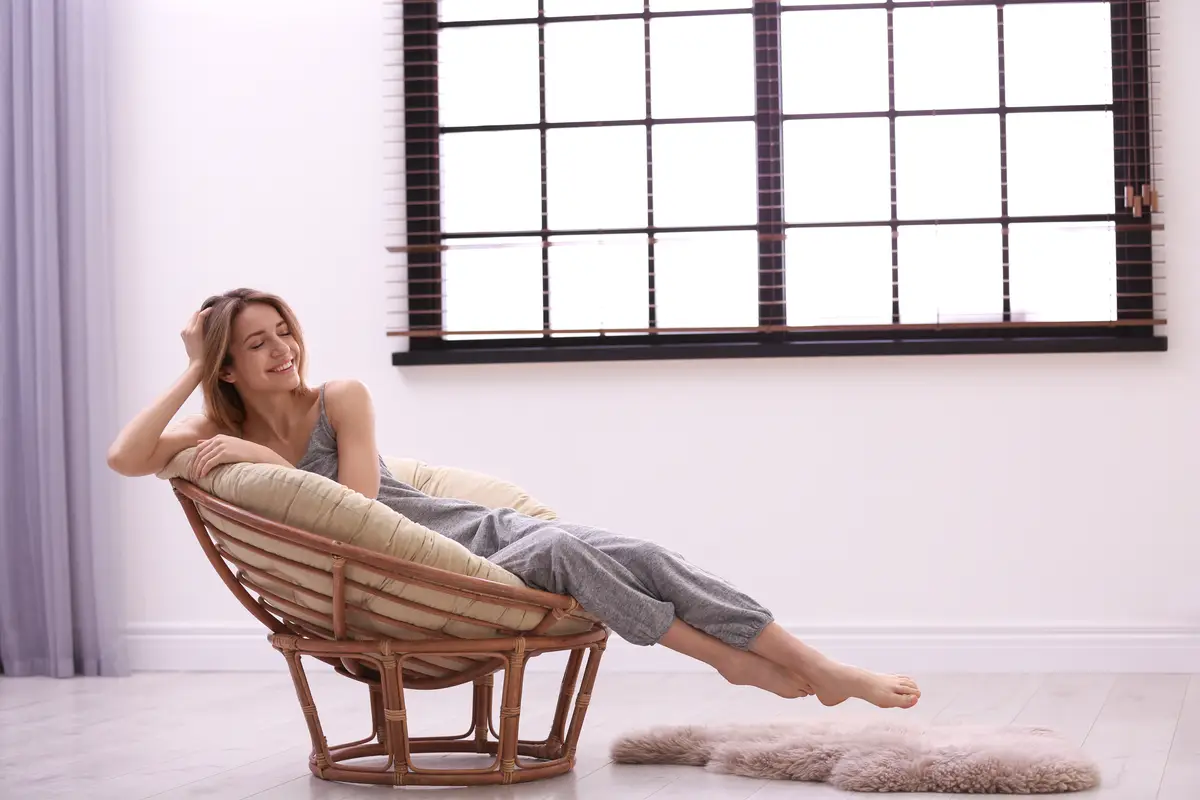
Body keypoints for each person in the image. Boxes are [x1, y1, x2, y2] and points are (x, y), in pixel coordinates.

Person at [108, 288, 920, 710]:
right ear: (227, 367)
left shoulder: (340, 396)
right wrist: (191, 363)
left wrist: (259, 454)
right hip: (436, 568)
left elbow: (363, 505)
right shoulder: (212, 426)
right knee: (571, 550)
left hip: (468, 534)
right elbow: (125, 457)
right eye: (255, 343)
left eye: (283, 330)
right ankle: (733, 662)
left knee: (638, 552)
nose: (282, 348)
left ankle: (808, 663)